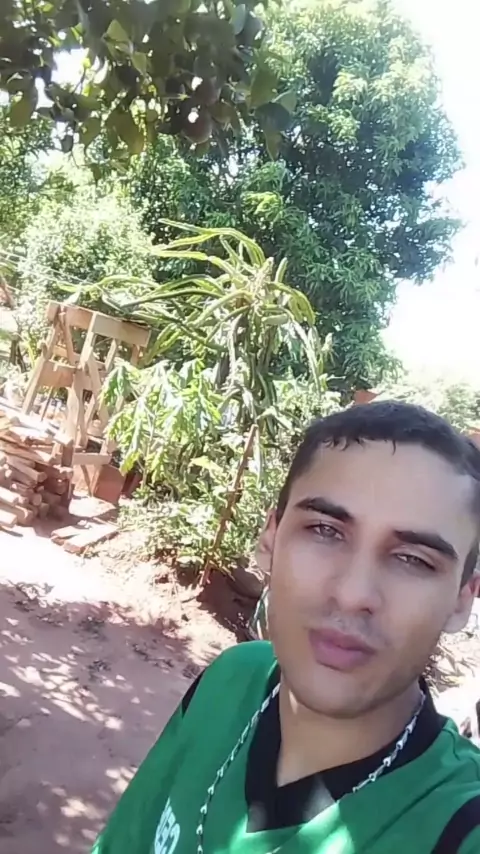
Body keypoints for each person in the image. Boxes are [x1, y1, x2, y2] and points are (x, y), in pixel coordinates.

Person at [92, 401, 480, 854]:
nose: (353, 594)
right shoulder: (231, 678)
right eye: (325, 531)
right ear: (270, 539)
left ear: (462, 599)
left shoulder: (458, 827)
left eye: (413, 559)